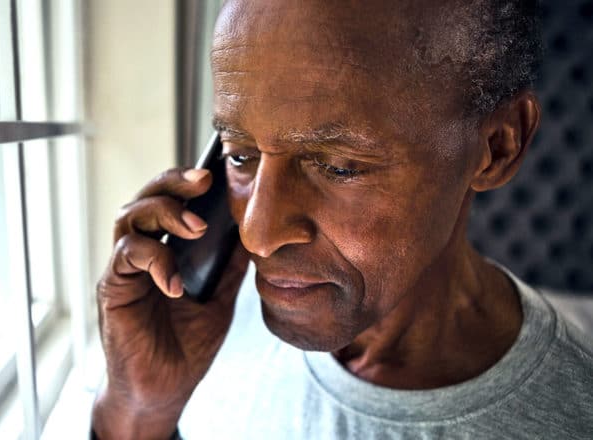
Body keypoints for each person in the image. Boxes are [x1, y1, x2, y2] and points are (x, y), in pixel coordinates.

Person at [91, 0, 593, 438]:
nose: (257, 235)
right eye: (240, 155)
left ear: (497, 147)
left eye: (338, 166)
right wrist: (138, 409)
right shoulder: (199, 315)